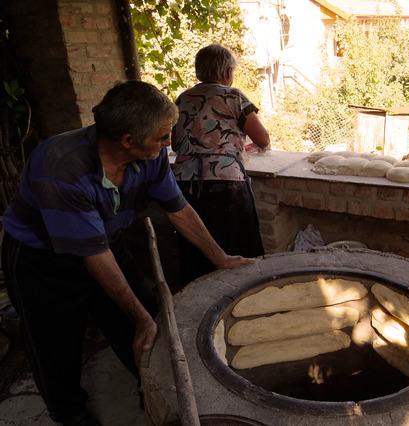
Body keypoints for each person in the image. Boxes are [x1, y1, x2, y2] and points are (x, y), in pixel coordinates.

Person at [1, 80, 254, 426]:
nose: (170, 142)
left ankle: (150, 387)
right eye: (163, 137)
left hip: (106, 240)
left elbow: (178, 209)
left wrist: (220, 257)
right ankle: (69, 411)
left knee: (150, 325)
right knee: (55, 341)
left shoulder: (150, 157)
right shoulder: (62, 167)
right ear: (128, 141)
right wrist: (139, 317)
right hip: (43, 259)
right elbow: (95, 257)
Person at [172, 44, 270, 286]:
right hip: (226, 185)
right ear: (228, 72)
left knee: (197, 252)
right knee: (238, 247)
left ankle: (198, 303)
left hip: (185, 186)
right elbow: (263, 140)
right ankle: (241, 297)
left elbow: (175, 143)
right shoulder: (234, 96)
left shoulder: (182, 99)